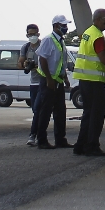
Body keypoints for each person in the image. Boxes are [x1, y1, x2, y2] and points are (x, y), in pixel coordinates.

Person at [71, 8, 105, 157]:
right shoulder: (97, 37)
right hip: (94, 81)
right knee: (96, 115)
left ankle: (80, 145)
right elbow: (104, 59)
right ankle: (92, 146)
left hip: (84, 80)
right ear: (97, 19)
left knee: (88, 114)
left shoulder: (88, 33)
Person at [32, 15, 72, 151]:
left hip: (58, 80)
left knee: (60, 111)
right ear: (56, 26)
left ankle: (60, 139)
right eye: (63, 25)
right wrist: (49, 79)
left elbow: (61, 62)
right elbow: (42, 60)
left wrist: (65, 78)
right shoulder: (49, 39)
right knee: (45, 110)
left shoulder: (61, 41)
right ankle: (41, 140)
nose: (65, 28)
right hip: (49, 81)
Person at [19, 24, 42, 146]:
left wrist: (39, 66)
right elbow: (20, 63)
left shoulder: (43, 45)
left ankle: (34, 135)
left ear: (38, 34)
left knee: (38, 109)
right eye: (30, 34)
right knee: (35, 110)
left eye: (35, 34)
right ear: (27, 35)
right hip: (33, 82)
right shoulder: (26, 47)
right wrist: (26, 64)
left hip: (43, 81)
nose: (32, 36)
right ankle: (38, 134)